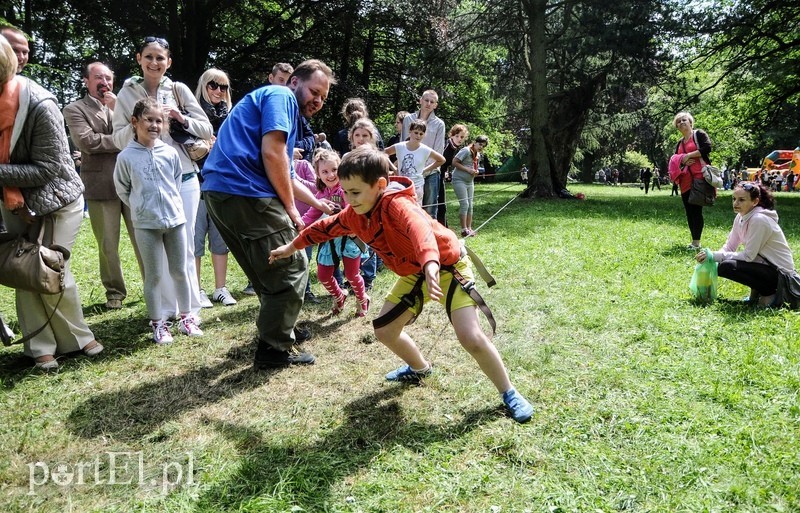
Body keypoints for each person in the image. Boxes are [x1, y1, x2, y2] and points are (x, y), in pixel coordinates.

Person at [269, 147, 535, 423]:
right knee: (385, 331)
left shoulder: (398, 205)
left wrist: (430, 264)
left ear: (380, 185)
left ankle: (509, 392)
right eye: (345, 192)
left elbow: (421, 232)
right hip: (414, 273)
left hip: (446, 268)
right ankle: (420, 368)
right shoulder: (353, 214)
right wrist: (291, 247)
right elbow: (323, 229)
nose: (349, 199)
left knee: (470, 336)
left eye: (355, 192)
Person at [200, 59, 336, 368]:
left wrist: (317, 204)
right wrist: (290, 209)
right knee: (291, 265)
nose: (317, 101)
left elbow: (287, 174)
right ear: (294, 82)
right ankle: (273, 349)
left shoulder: (279, 109)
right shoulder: (281, 96)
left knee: (266, 267)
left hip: (221, 192)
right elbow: (272, 154)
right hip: (246, 191)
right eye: (314, 91)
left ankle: (282, 328)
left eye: (323, 97)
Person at [0, 34, 103, 371]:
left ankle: (77, 338)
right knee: (24, 269)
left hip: (56, 199)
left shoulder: (40, 104)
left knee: (51, 268)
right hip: (11, 200)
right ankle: (40, 347)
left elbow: (49, 168)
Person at [112, 36, 213, 320]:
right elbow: (117, 138)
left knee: (185, 246)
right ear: (139, 59)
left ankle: (190, 310)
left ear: (168, 62)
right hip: (147, 183)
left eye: (160, 58)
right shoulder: (126, 93)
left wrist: (180, 118)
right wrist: (140, 125)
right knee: (158, 252)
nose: (154, 62)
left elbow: (206, 129)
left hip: (184, 178)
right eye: (149, 56)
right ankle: (167, 309)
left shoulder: (178, 89)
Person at [114, 98, 203, 342]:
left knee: (180, 271)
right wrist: (142, 207)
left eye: (159, 121)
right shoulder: (126, 157)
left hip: (175, 222)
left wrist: (170, 206)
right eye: (149, 120)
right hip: (146, 225)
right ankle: (158, 323)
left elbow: (175, 182)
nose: (154, 125)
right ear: (135, 122)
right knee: (153, 276)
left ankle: (186, 317)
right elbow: (123, 189)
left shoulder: (170, 153)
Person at [63, 61, 142, 310]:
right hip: (100, 184)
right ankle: (115, 292)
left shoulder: (124, 105)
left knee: (144, 237)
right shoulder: (74, 109)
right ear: (86, 81)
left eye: (108, 78)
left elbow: (143, 132)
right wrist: (122, 139)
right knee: (108, 245)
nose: (104, 83)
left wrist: (119, 110)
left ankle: (155, 285)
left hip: (133, 182)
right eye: (98, 77)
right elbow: (87, 142)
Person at [696, 182, 795, 307]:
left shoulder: (759, 220)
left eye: (741, 200)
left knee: (727, 266)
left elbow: (749, 256)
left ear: (755, 202)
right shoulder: (740, 217)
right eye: (734, 199)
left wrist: (716, 256)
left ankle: (770, 295)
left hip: (782, 277)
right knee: (722, 264)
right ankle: (757, 295)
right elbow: (730, 246)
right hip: (766, 267)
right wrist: (711, 257)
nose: (736, 203)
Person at [301, 149, 370, 316]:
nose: (331, 175)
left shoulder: (346, 189)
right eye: (325, 171)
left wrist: (340, 213)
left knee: (352, 275)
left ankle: (362, 300)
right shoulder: (322, 193)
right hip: (331, 239)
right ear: (318, 174)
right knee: (323, 275)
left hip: (351, 239)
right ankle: (339, 296)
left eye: (334, 169)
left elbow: (354, 213)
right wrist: (300, 225)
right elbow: (312, 214)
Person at [193, 68, 236, 307]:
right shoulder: (192, 112)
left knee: (221, 240)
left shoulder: (230, 116)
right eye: (213, 85)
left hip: (222, 185)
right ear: (203, 85)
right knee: (196, 239)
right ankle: (196, 289)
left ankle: (221, 288)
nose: (219, 91)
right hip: (197, 185)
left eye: (223, 86)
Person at [401, 90, 446, 219]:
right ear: (420, 100)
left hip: (431, 171)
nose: (428, 103)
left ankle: (431, 232)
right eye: (426, 100)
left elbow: (438, 150)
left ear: (435, 105)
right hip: (410, 171)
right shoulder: (408, 119)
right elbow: (403, 144)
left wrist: (425, 169)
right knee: (410, 207)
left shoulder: (439, 124)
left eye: (432, 102)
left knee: (430, 210)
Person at [671, 111, 712, 250]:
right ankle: (694, 241)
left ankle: (696, 242)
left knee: (696, 210)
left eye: (684, 120)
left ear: (690, 122)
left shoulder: (698, 134)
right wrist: (683, 160)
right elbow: (675, 160)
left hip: (699, 178)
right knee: (689, 211)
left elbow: (707, 148)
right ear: (677, 127)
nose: (681, 122)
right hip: (685, 181)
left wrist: (688, 155)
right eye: (678, 121)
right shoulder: (679, 143)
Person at [385, 119, 446, 207]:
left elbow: (442, 160)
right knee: (401, 208)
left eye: (421, 134)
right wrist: (394, 169)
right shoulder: (400, 146)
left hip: (417, 186)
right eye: (416, 132)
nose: (418, 136)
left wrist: (425, 170)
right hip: (401, 184)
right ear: (410, 132)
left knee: (415, 209)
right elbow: (384, 153)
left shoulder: (425, 150)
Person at [451, 135, 488, 237]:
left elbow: (473, 166)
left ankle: (469, 228)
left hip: (469, 182)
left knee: (470, 205)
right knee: (465, 204)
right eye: (480, 144)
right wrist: (468, 170)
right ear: (475, 142)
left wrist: (475, 171)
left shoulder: (477, 154)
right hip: (459, 180)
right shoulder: (466, 151)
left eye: (483, 146)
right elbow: (454, 162)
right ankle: (464, 229)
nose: (481, 147)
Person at [441, 124, 469, 226]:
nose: (459, 139)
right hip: (435, 175)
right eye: (457, 136)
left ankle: (443, 226)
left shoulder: (454, 148)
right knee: (439, 203)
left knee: (442, 204)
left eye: (462, 137)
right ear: (451, 135)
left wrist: (446, 171)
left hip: (441, 176)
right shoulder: (446, 145)